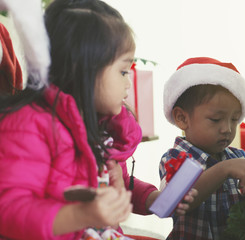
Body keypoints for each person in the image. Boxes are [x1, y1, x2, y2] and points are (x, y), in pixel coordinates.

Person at [0, 0, 196, 239]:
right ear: (83, 68)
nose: (128, 82)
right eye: (123, 71)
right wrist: (81, 215)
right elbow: (9, 212)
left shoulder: (100, 126)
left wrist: (156, 200)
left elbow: (117, 187)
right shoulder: (29, 126)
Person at [160, 57, 245, 240]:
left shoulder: (238, 156)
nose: (227, 129)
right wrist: (224, 170)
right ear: (182, 118)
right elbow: (175, 201)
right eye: (216, 119)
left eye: (234, 119)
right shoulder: (175, 158)